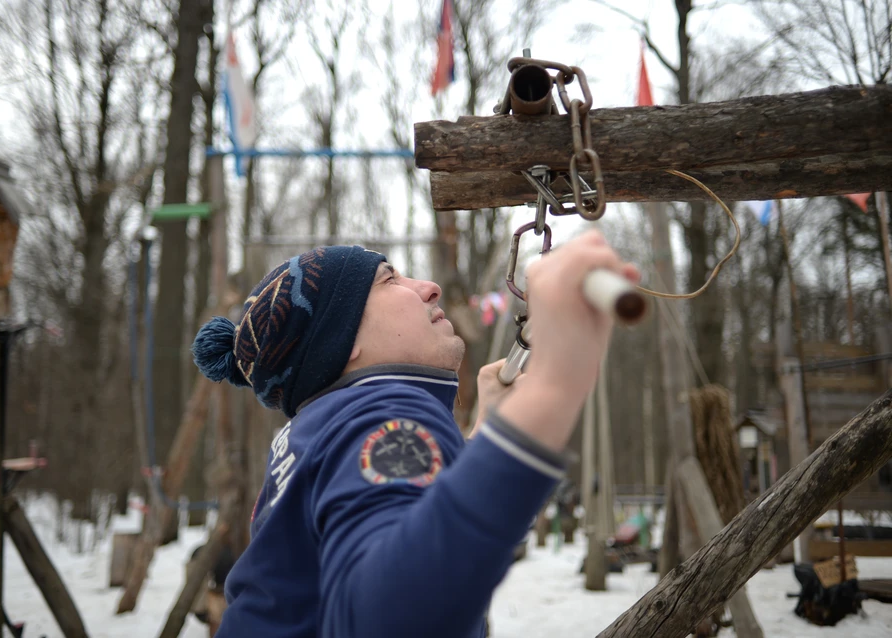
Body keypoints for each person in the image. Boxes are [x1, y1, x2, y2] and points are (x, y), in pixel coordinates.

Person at [191, 233, 639, 638]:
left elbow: (403, 529)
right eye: (390, 281)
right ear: (342, 343)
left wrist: (483, 439)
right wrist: (553, 388)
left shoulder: (323, 426)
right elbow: (392, 620)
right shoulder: (379, 414)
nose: (429, 286)